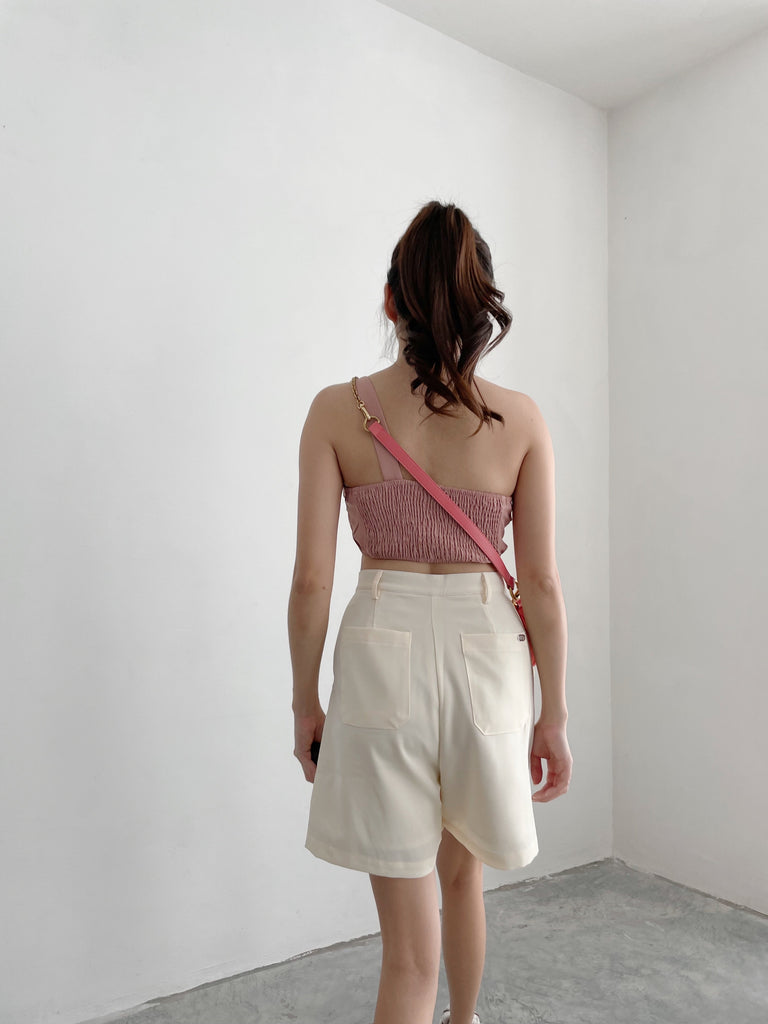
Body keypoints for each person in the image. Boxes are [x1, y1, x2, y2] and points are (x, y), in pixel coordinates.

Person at [287, 200, 572, 1024]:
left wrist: (306, 701)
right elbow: (541, 584)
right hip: (488, 656)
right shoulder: (521, 420)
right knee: (463, 876)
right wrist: (554, 714)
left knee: (408, 956)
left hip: (383, 652)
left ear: (390, 300)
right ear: (483, 305)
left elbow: (312, 580)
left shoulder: (336, 411)